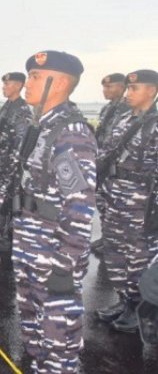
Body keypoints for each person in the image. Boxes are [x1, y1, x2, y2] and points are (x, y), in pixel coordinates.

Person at [12, 51, 96, 373]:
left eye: (35, 76)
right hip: (31, 244)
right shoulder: (40, 126)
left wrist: (66, 261)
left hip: (53, 252)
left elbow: (80, 202)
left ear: (58, 83)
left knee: (58, 333)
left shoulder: (70, 132)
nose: (27, 83)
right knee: (33, 323)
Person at [96, 69, 158, 333]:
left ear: (152, 91)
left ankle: (139, 308)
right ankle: (124, 300)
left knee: (138, 256)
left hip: (142, 203)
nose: (129, 93)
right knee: (114, 252)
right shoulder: (122, 120)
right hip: (115, 197)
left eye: (135, 89)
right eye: (129, 89)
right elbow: (106, 154)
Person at [0, 72, 32, 254]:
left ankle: (11, 239)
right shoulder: (5, 107)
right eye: (4, 83)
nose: (4, 87)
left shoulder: (22, 111)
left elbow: (20, 145)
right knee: (1, 203)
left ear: (19, 85)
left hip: (10, 168)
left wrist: (14, 172)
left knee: (11, 203)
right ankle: (3, 234)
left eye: (8, 84)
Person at [92, 73, 130, 255]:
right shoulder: (107, 109)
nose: (105, 91)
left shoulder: (128, 110)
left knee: (115, 204)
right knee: (101, 201)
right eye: (104, 87)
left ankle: (115, 241)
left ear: (122, 88)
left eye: (110, 87)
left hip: (116, 165)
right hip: (102, 162)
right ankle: (106, 237)